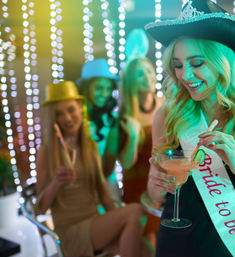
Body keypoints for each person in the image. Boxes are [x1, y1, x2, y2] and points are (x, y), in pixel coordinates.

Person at [144, 1, 235, 256]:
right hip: (176, 245)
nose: (185, 75)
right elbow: (154, 194)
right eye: (178, 65)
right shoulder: (168, 116)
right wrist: (157, 183)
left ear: (223, 60)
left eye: (197, 63)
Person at [35, 81, 148, 257]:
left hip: (94, 223)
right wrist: (56, 182)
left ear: (81, 109)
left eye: (71, 110)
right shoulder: (46, 151)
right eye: (59, 113)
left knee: (146, 250)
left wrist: (120, 221)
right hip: (70, 233)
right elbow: (39, 208)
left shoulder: (90, 146)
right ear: (53, 118)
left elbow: (103, 194)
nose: (67, 118)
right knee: (136, 211)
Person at [104, 56, 163, 249]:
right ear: (131, 83)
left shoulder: (166, 106)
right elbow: (127, 164)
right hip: (138, 190)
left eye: (149, 70)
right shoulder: (122, 118)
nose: (147, 76)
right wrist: (133, 134)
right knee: (149, 244)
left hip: (165, 185)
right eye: (140, 74)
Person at [77, 59, 121, 204]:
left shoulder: (111, 120)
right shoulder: (71, 119)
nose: (105, 93)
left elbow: (109, 162)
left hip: (105, 183)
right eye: (99, 88)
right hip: (76, 184)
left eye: (108, 89)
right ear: (86, 87)